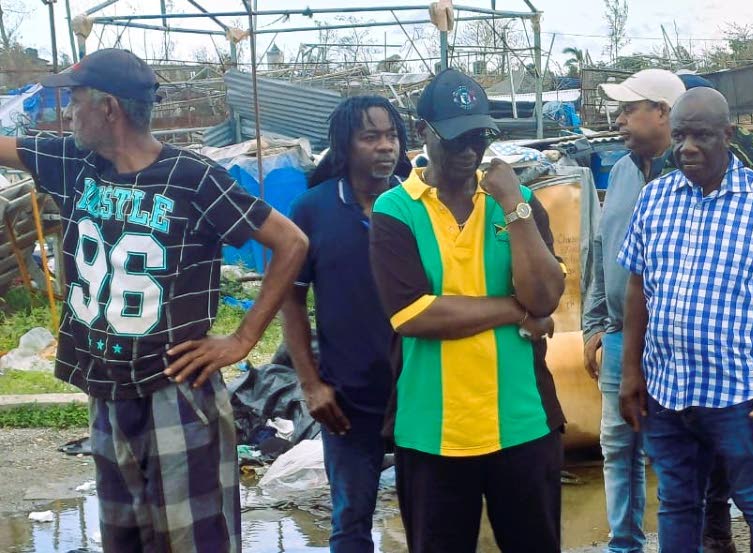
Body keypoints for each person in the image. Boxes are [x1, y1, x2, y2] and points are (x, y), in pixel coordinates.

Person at [0, 48, 308, 552]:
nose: (68, 114)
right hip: (106, 396)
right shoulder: (74, 161)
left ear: (109, 109)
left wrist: (243, 339)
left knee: (195, 541)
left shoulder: (193, 178)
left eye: (75, 101)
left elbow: (291, 242)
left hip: (175, 393)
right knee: (125, 541)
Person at [368, 68, 566, 553]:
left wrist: (514, 205)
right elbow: (415, 316)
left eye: (479, 136)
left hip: (522, 422)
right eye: (456, 137)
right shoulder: (395, 211)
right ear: (423, 133)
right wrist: (514, 313)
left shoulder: (513, 202)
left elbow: (544, 299)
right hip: (433, 431)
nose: (470, 151)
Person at [617, 87, 753, 552]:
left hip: (736, 391)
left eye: (702, 136)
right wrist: (632, 371)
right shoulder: (656, 198)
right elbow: (637, 288)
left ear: (727, 135)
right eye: (681, 135)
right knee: (676, 501)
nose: (688, 147)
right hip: (666, 387)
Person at [583, 68, 738, 553]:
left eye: (631, 109)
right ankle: (624, 543)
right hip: (620, 335)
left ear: (663, 113)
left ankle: (711, 533)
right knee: (618, 445)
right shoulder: (623, 171)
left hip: (679, 342)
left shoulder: (696, 174)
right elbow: (601, 250)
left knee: (697, 448)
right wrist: (593, 323)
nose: (620, 119)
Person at [280, 96, 411, 553]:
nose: (385, 147)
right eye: (370, 136)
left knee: (431, 521)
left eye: (391, 135)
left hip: (421, 393)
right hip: (347, 400)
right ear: (344, 145)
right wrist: (311, 384)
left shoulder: (418, 202)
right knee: (351, 524)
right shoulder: (313, 210)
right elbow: (291, 302)